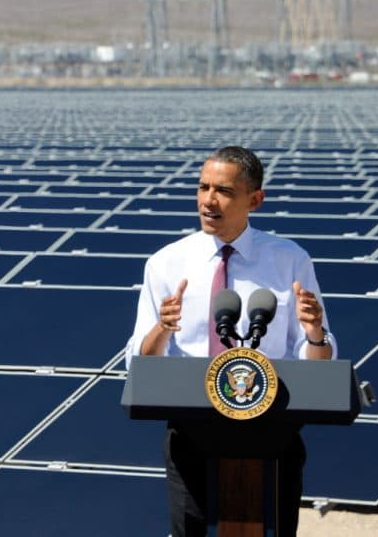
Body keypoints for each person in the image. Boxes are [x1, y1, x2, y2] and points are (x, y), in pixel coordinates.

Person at [126, 145, 336, 537]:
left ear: (255, 200)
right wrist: (162, 328)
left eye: (223, 191)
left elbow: (315, 361)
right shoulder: (167, 262)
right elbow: (141, 361)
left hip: (272, 431)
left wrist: (315, 334)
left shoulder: (290, 260)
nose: (208, 200)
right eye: (202, 187)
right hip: (192, 434)